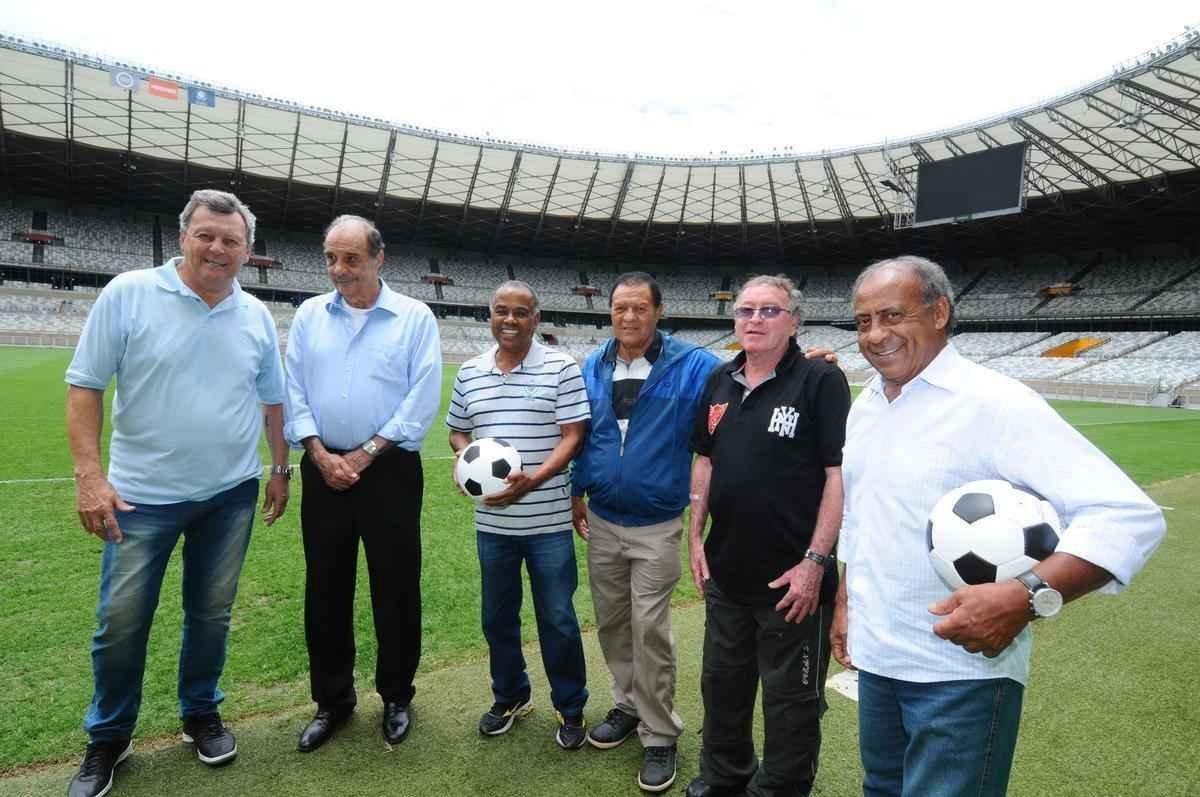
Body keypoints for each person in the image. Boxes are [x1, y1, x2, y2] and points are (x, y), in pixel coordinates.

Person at [833, 255, 1166, 797]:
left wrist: (1027, 594)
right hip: (879, 659)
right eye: (864, 321)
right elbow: (866, 515)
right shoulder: (867, 405)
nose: (875, 334)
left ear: (939, 313)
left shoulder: (995, 402)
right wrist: (848, 600)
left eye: (893, 315)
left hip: (961, 673)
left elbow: (1126, 513)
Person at [64, 189, 290, 797]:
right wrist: (90, 477)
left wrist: (279, 469)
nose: (218, 248)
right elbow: (85, 386)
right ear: (184, 236)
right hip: (142, 497)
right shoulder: (129, 293)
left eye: (231, 240)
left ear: (247, 251)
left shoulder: (256, 316)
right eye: (207, 236)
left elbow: (273, 400)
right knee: (121, 622)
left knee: (211, 614)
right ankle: (108, 737)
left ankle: (200, 714)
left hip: (230, 494)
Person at [684, 275, 850, 797]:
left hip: (793, 580)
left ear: (794, 321)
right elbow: (705, 461)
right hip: (728, 573)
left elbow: (836, 476)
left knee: (791, 700)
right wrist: (694, 538)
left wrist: (815, 563)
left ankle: (780, 788)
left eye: (770, 311)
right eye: (746, 310)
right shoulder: (719, 379)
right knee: (722, 686)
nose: (754, 319)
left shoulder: (820, 380)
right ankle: (723, 776)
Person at [284, 215, 441, 752]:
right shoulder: (309, 314)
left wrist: (366, 452)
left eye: (351, 258)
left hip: (390, 470)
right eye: (331, 257)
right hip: (322, 467)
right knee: (325, 587)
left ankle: (397, 695)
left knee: (395, 587)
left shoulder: (414, 317)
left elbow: (421, 399)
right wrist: (319, 453)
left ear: (379, 258)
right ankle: (333, 701)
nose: (339, 269)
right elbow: (294, 388)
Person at [568, 271, 718, 793]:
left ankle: (660, 733)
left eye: (638, 308)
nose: (628, 317)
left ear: (658, 311)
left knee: (649, 627)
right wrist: (576, 490)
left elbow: (750, 381)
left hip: (656, 525)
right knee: (612, 623)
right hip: (604, 520)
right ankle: (628, 704)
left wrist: (805, 365)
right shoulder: (594, 363)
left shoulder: (694, 365)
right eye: (620, 308)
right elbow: (584, 435)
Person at [446, 280, 591, 749]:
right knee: (497, 619)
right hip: (493, 526)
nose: (509, 320)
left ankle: (570, 707)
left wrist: (535, 478)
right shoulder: (469, 372)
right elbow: (458, 433)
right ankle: (510, 695)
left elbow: (573, 435)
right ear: (490, 315)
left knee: (558, 619)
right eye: (501, 311)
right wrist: (465, 460)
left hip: (547, 523)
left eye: (520, 312)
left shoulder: (561, 368)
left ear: (536, 318)